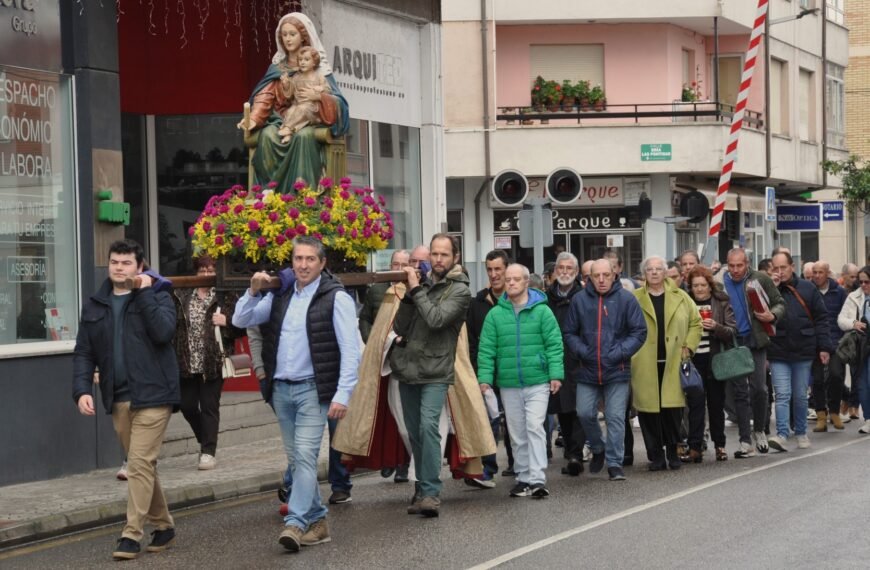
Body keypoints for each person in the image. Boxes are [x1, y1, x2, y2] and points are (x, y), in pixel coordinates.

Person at [232, 236, 361, 552]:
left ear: (322, 263)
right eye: (298, 259)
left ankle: (296, 522)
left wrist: (343, 394)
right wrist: (252, 291)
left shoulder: (336, 298)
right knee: (298, 459)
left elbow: (350, 351)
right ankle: (318, 521)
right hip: (282, 391)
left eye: (310, 259)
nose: (303, 265)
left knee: (304, 457)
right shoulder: (281, 293)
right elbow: (240, 320)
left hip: (313, 391)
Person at [72, 239, 179, 560]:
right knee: (142, 465)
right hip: (117, 396)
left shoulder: (159, 294)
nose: (119, 267)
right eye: (115, 262)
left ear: (140, 267)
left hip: (154, 393)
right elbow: (84, 352)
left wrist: (144, 292)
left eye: (126, 263)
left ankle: (131, 534)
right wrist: (80, 391)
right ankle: (163, 526)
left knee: (138, 464)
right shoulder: (95, 304)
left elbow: (163, 333)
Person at [390, 233, 472, 517]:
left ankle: (432, 493)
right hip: (408, 367)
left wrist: (416, 291)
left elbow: (436, 320)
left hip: (436, 370)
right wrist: (410, 295)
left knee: (428, 428)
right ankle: (421, 490)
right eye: (434, 255)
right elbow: (400, 325)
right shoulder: (421, 286)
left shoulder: (460, 290)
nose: (437, 260)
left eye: (444, 255)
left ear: (455, 258)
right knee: (414, 434)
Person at [477, 263, 563, 498]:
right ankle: (523, 477)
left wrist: (555, 374)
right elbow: (486, 349)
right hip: (509, 382)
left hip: (538, 380)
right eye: (508, 279)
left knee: (535, 426)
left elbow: (554, 344)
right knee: (516, 431)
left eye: (517, 279)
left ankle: (537, 479)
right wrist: (484, 378)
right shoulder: (495, 314)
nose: (512, 283)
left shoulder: (542, 311)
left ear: (527, 282)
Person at [239, 12, 349, 191]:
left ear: (303, 36)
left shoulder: (319, 70)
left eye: (292, 34)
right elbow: (265, 96)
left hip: (309, 120)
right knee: (267, 135)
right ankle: (269, 191)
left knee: (304, 136)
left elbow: (339, 105)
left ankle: (303, 191)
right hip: (282, 120)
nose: (288, 39)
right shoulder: (277, 68)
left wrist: (319, 98)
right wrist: (254, 118)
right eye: (284, 35)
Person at [564, 258, 647, 482]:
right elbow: (569, 333)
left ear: (615, 274)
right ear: (589, 277)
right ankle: (598, 447)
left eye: (606, 275)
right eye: (596, 276)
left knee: (616, 417)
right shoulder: (579, 300)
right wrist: (583, 352)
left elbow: (639, 332)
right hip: (588, 368)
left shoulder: (626, 300)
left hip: (617, 368)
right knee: (584, 413)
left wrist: (619, 352)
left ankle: (614, 463)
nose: (601, 280)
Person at [631, 256, 702, 470]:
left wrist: (688, 347)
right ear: (644, 273)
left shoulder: (681, 297)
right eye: (649, 269)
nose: (654, 273)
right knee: (648, 411)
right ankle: (655, 455)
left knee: (672, 411)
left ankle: (673, 451)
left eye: (658, 269)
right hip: (644, 362)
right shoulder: (634, 298)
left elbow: (696, 323)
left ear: (665, 272)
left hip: (673, 361)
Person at [170, 255, 239, 471]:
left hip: (212, 361)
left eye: (211, 270)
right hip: (187, 360)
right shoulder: (181, 295)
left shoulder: (225, 296)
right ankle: (205, 438)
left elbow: (242, 326)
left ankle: (208, 452)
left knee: (210, 407)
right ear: (196, 272)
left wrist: (227, 322)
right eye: (203, 270)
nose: (207, 274)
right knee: (187, 405)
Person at [718, 247, 785, 455]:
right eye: (732, 266)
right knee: (740, 391)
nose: (735, 270)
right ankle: (745, 441)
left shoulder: (760, 279)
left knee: (759, 389)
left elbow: (779, 303)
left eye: (740, 265)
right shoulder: (720, 283)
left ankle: (760, 430)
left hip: (755, 339)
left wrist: (772, 315)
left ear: (747, 264)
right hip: (734, 341)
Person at [766, 252, 832, 452]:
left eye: (783, 268)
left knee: (801, 396)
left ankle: (802, 432)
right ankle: (783, 434)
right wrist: (772, 290)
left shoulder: (807, 288)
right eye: (775, 269)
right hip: (778, 350)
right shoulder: (768, 289)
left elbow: (821, 318)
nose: (779, 272)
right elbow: (761, 315)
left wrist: (824, 347)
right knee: (783, 394)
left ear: (792, 267)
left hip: (803, 349)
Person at [466, 249, 511, 486]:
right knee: (488, 421)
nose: (494, 275)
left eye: (498, 269)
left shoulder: (515, 299)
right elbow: (472, 341)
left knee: (513, 421)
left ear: (507, 269)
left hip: (512, 372)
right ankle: (488, 468)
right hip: (485, 373)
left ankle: (516, 465)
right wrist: (477, 371)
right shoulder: (477, 303)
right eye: (490, 270)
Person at [683, 266, 738, 462]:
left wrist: (716, 326)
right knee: (695, 404)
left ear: (709, 285)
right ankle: (695, 447)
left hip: (715, 360)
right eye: (695, 285)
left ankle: (720, 446)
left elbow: (732, 331)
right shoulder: (685, 302)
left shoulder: (721, 302)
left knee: (716, 404)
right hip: (692, 359)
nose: (699, 289)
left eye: (703, 285)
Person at [545, 252, 587, 476]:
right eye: (560, 268)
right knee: (562, 408)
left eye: (569, 268)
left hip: (579, 359)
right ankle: (571, 451)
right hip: (555, 361)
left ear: (576, 272)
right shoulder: (546, 297)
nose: (564, 272)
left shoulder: (584, 295)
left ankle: (576, 454)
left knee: (579, 409)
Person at [810, 260, 848, 431]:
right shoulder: (809, 290)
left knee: (836, 375)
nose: (817, 276)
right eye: (815, 272)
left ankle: (834, 411)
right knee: (817, 380)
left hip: (835, 343)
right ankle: (821, 415)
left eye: (820, 272)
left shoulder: (839, 292)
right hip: (815, 343)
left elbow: (845, 315)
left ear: (828, 273)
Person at [836, 265, 870, 433]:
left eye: (867, 282)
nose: (863, 285)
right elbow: (841, 320)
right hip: (860, 347)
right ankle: (869, 419)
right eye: (861, 281)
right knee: (862, 384)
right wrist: (853, 324)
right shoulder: (853, 297)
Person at [277, 46, 331, 144]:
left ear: (314, 62)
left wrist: (321, 89)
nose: (302, 62)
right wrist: (286, 84)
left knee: (302, 109)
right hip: (297, 104)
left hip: (312, 108)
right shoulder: (297, 77)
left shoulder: (318, 76)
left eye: (306, 59)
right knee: (290, 111)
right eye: (300, 60)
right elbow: (290, 94)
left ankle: (288, 128)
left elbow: (328, 90)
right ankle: (288, 134)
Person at [359, 250, 409, 344]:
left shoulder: (413, 292)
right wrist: (370, 340)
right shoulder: (376, 290)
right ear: (390, 267)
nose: (399, 268)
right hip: (379, 350)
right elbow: (364, 319)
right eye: (396, 264)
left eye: (404, 265)